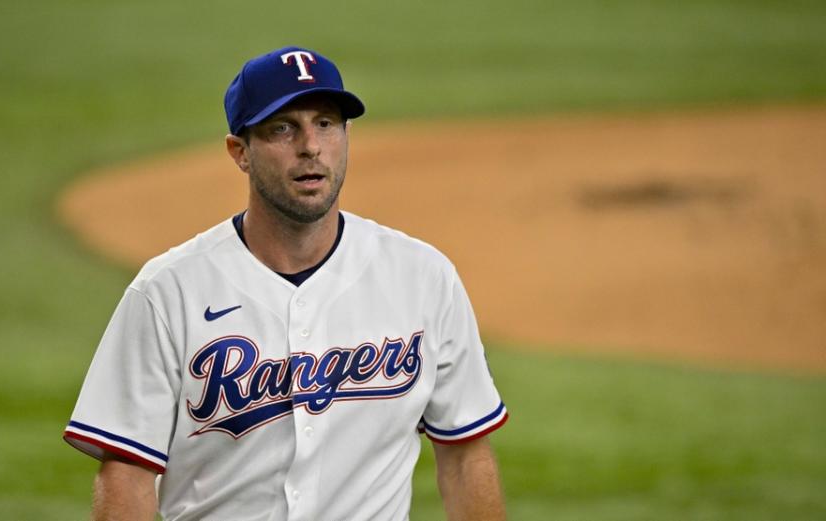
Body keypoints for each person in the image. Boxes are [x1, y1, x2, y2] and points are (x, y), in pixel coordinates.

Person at [63, 46, 508, 521]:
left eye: (325, 123)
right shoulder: (167, 292)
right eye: (282, 128)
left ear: (346, 135)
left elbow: (465, 456)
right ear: (240, 152)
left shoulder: (423, 277)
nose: (311, 146)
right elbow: (126, 475)